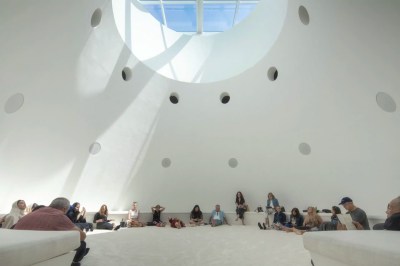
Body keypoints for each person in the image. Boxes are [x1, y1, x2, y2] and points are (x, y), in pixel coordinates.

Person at [14, 197, 89, 266]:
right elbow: (82, 236)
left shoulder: (34, 212)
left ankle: (83, 252)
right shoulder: (58, 215)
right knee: (81, 243)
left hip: (16, 246)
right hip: (33, 251)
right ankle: (74, 262)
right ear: (65, 208)